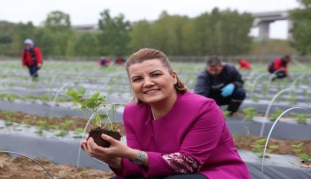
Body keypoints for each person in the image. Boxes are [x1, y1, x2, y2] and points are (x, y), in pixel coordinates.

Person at [81, 48, 250, 179]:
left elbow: (188, 164)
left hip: (214, 173)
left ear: (173, 77)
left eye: (155, 74)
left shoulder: (203, 108)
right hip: (166, 172)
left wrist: (128, 153)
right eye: (137, 79)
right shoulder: (133, 112)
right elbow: (139, 164)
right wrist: (112, 158)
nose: (147, 83)